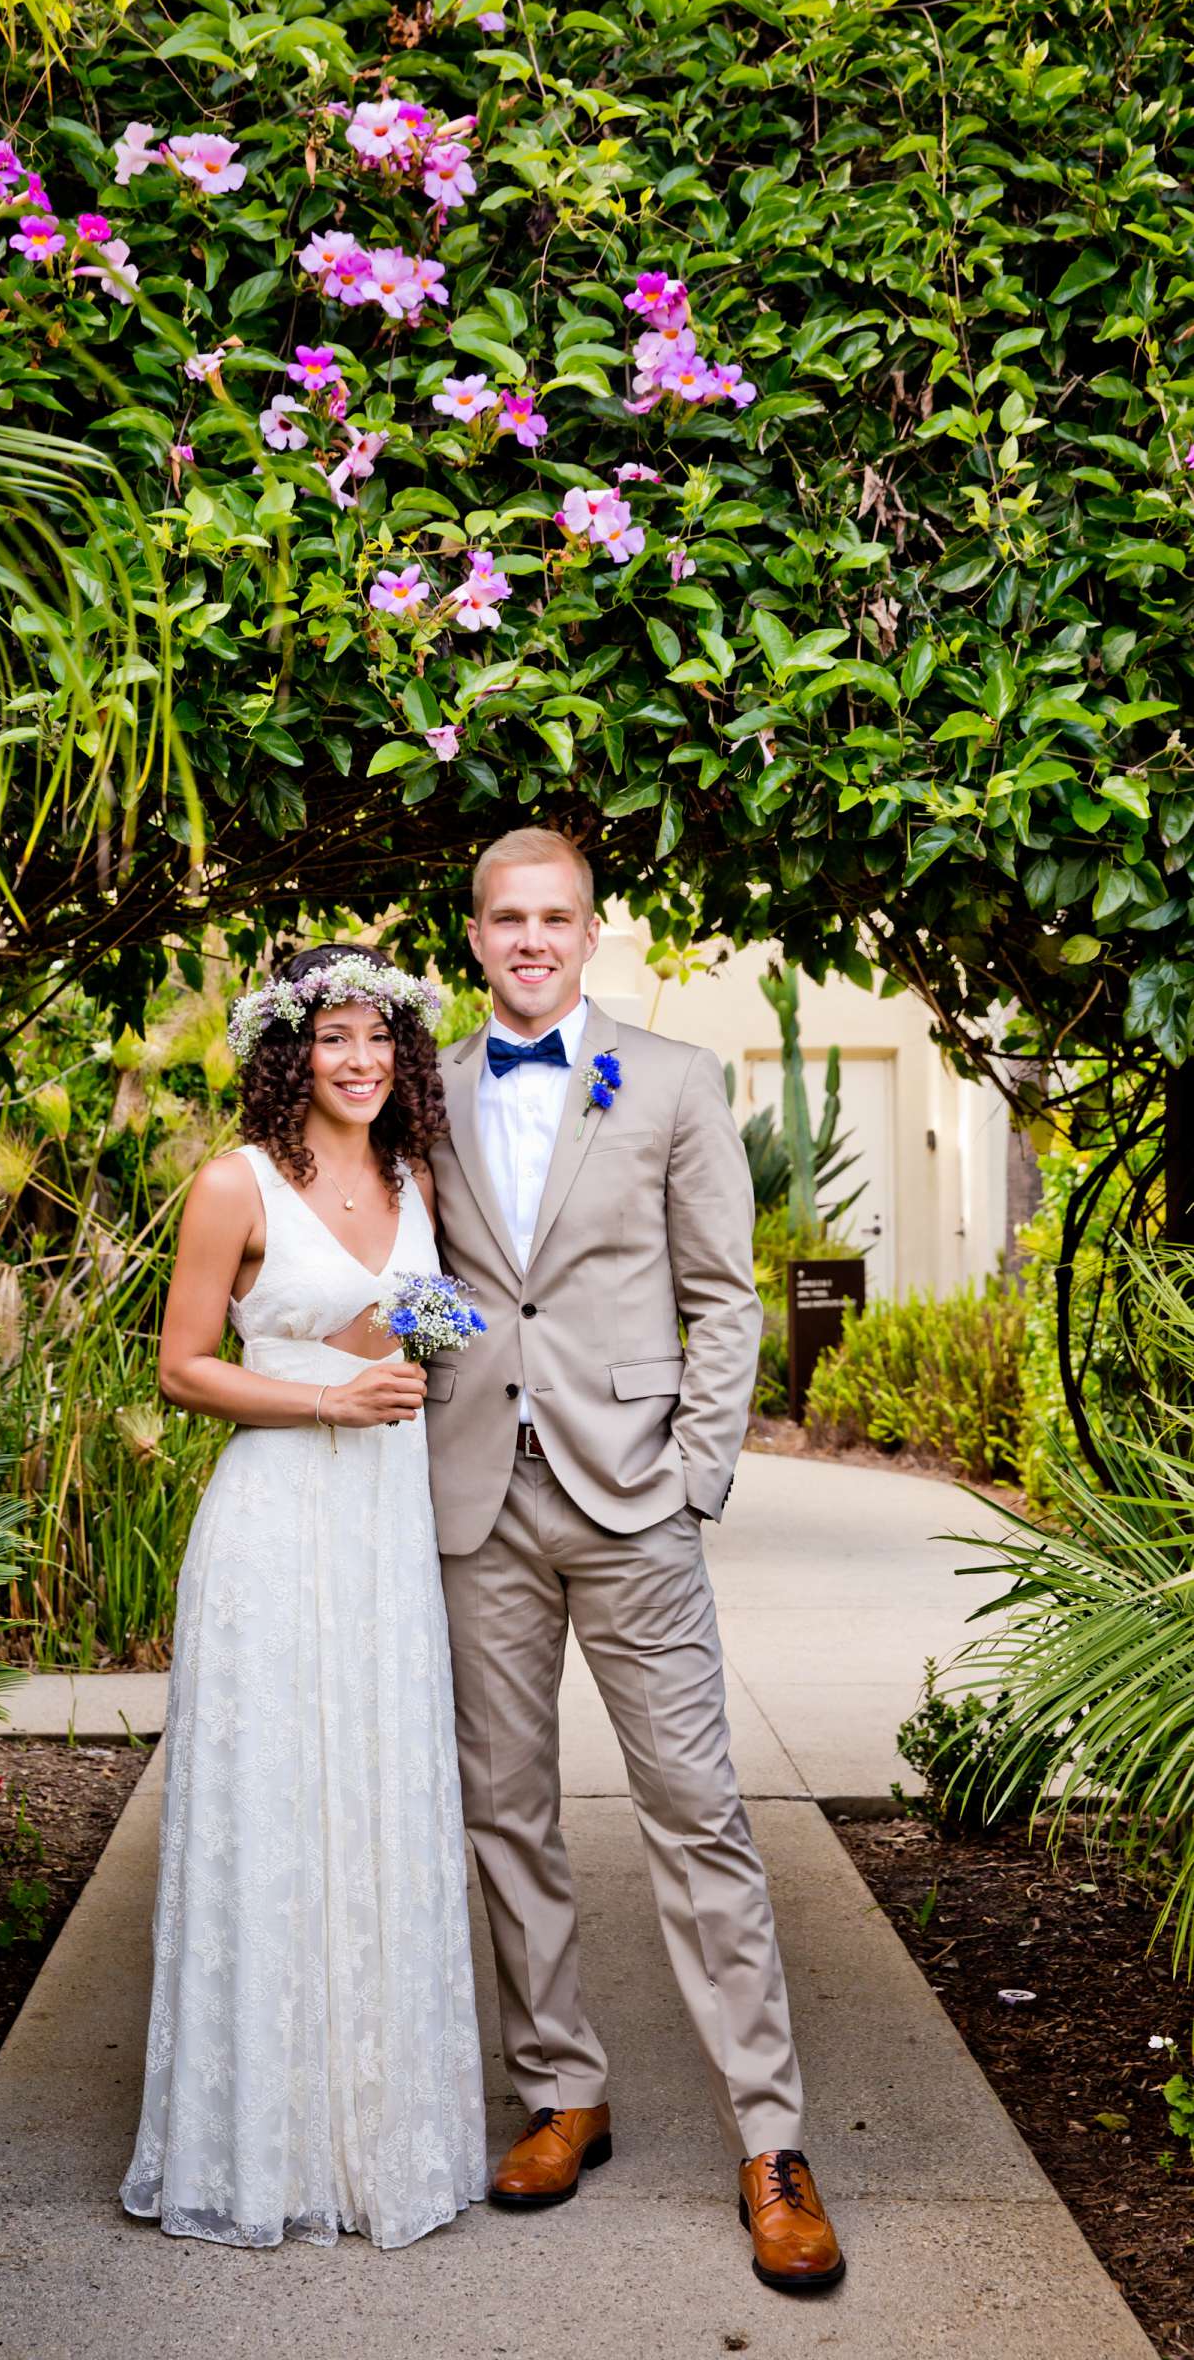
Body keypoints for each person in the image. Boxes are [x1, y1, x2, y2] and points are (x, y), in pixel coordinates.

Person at [425, 826, 846, 2294]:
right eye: (505, 918)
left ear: (590, 932)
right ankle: (562, 2091)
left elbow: (724, 1294)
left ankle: (772, 2140)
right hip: (475, 1497)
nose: (530, 938)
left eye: (556, 917)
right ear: (473, 935)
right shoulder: (427, 1092)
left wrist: (697, 1478)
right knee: (506, 1812)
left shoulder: (669, 1080)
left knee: (697, 1811)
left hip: (632, 1505)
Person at [120, 943, 487, 2251]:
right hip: (278, 1523)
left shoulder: (416, 1178)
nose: (360, 1059)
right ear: (293, 1049)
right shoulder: (235, 1181)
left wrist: (404, 1347)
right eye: (335, 1036)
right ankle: (258, 2145)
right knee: (277, 1810)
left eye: (379, 1037)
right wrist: (330, 1398)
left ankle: (378, 2136)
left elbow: (419, 1322)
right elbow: (181, 1369)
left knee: (376, 1804)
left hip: (383, 1532)